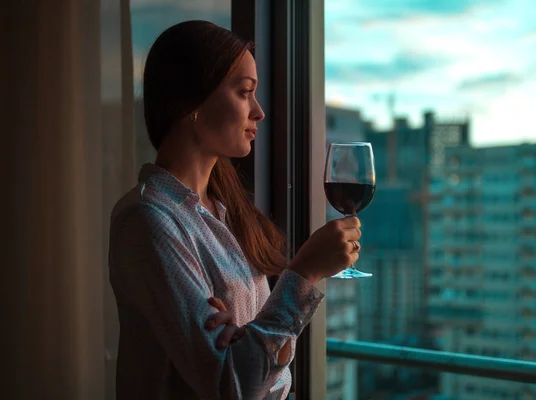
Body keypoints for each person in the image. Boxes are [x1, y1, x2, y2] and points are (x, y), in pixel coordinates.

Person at [108, 20, 362, 400]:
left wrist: (245, 339)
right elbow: (233, 386)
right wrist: (305, 272)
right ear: (190, 102)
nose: (258, 112)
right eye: (245, 92)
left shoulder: (221, 214)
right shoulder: (148, 220)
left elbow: (254, 372)